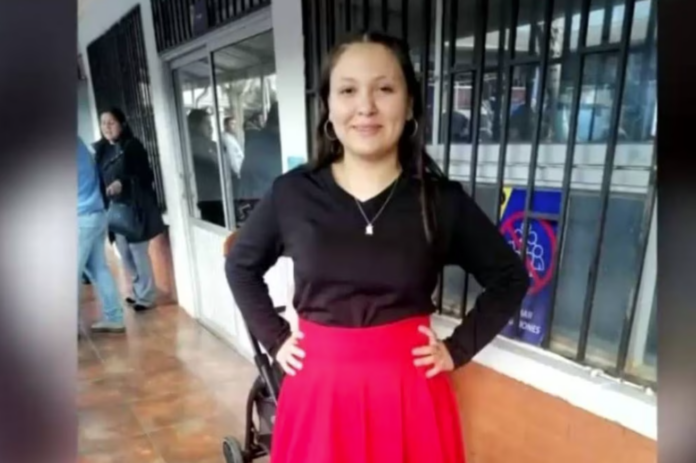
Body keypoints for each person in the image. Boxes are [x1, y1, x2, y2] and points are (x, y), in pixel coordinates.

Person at [225, 31, 529, 463]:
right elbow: (240, 265)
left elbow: (510, 277)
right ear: (329, 106)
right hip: (318, 392)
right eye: (348, 90)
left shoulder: (440, 202)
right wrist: (275, 338)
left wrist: (458, 348)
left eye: (384, 89)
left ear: (409, 104)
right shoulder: (292, 194)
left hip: (410, 395)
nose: (366, 106)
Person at [93, 108, 164, 312]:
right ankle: (136, 291)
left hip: (135, 209)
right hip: (116, 211)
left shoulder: (133, 146)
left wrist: (122, 182)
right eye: (103, 123)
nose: (107, 127)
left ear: (122, 124)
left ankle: (146, 296)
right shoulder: (102, 150)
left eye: (111, 122)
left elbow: (146, 175)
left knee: (138, 252)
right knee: (124, 253)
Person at [77, 136, 125, 334]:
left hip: (80, 218)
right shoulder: (78, 144)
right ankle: (115, 317)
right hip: (95, 213)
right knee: (99, 268)